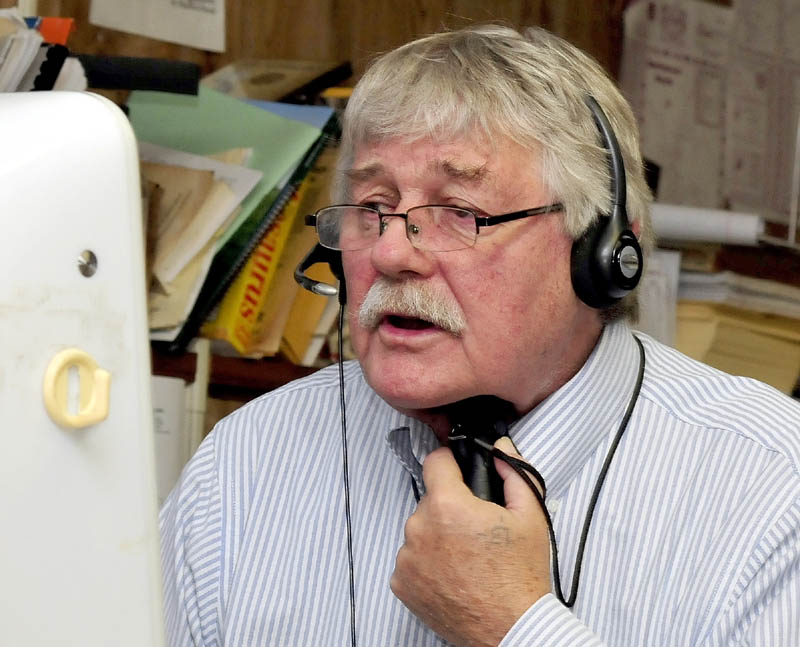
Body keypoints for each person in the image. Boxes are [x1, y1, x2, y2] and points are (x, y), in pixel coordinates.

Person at [159, 24, 800, 646]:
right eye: (373, 209)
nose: (389, 254)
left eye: (460, 213)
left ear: (602, 249)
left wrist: (514, 629)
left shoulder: (772, 492)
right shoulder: (246, 462)